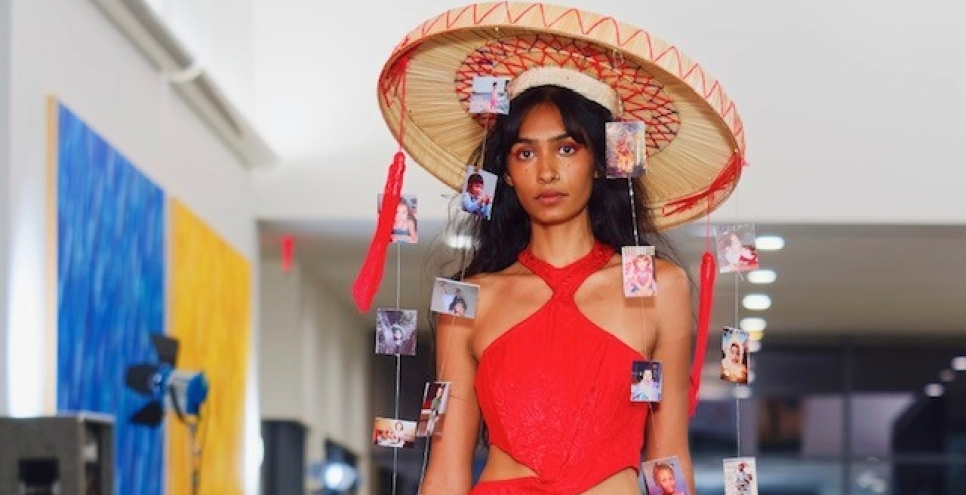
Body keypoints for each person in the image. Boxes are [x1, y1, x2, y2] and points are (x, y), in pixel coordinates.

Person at [420, 70, 695, 495]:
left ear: (602, 163)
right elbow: (445, 470)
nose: (546, 172)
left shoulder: (661, 286)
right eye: (525, 154)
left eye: (566, 149)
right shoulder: (467, 298)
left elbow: (668, 455)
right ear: (507, 173)